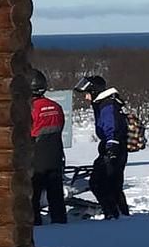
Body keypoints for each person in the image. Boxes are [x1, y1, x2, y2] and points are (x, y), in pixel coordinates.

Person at [74, 73, 131, 218]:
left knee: (98, 182)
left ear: (94, 92)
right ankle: (120, 213)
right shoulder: (105, 103)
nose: (86, 97)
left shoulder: (107, 105)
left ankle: (113, 213)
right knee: (114, 184)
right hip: (113, 146)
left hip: (113, 146)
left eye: (87, 94)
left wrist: (112, 145)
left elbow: (111, 125)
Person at [29, 70, 68, 225]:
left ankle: (35, 222)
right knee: (56, 194)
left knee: (33, 194)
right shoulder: (56, 107)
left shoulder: (30, 108)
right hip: (55, 155)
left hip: (35, 157)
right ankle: (59, 221)